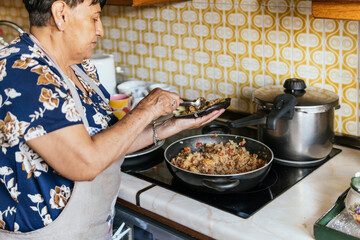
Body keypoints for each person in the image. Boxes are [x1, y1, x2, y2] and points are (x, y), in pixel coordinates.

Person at [0, 0, 225, 239]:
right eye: (94, 18)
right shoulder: (21, 70)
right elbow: (84, 163)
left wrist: (169, 125)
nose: (100, 29)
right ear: (61, 14)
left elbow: (109, 139)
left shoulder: (78, 68)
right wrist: (146, 109)